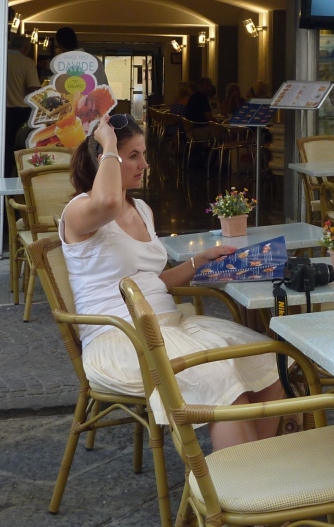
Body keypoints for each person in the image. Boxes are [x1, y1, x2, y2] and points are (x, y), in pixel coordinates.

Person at [59, 115, 282, 449]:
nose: (145, 164)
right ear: (105, 158)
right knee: (222, 381)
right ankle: (237, 476)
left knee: (271, 364)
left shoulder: (141, 209)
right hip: (120, 337)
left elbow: (153, 282)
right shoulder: (79, 211)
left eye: (143, 154)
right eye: (133, 156)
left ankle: (255, 467)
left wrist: (199, 261)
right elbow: (107, 202)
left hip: (172, 325)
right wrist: (107, 142)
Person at [5, 33, 42, 175]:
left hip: (0, 112)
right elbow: (34, 91)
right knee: (20, 148)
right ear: (26, 48)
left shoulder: (1, 59)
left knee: (2, 148)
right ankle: (18, 177)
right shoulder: (26, 63)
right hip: (20, 113)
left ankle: (3, 174)